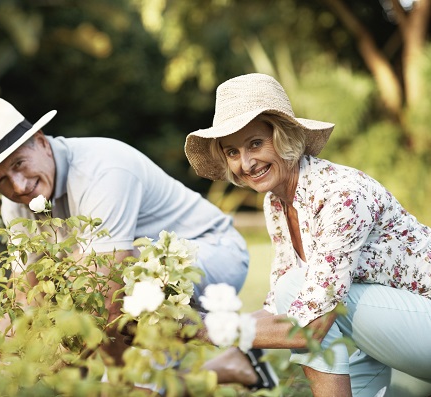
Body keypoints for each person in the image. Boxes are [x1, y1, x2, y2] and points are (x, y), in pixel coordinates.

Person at [0, 97, 277, 390]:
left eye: (18, 164)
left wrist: (50, 361)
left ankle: (140, 383)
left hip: (212, 252)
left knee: (120, 319)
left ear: (41, 142)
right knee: (120, 375)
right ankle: (233, 366)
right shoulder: (17, 204)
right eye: (0, 181)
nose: (18, 186)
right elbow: (26, 291)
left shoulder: (101, 169)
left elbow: (106, 289)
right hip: (141, 276)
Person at [184, 73, 431, 396]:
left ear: (283, 136)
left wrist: (203, 330)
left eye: (255, 143)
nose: (245, 163)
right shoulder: (276, 201)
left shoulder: (341, 194)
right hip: (392, 334)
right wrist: (195, 317)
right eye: (232, 152)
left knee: (301, 291)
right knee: (300, 298)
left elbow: (309, 326)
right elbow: (279, 310)